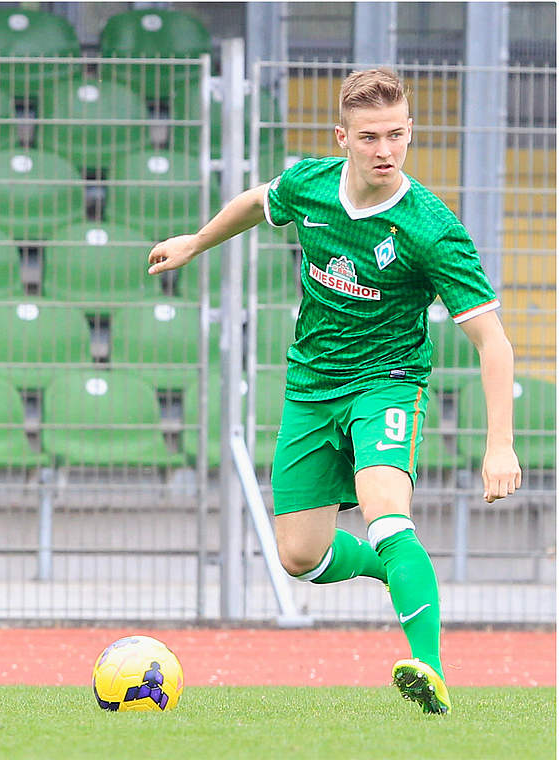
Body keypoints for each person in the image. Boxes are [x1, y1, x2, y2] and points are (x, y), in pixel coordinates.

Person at [147, 68, 521, 715]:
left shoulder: (431, 229)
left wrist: (500, 446)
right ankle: (391, 570)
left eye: (398, 135)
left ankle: (426, 667)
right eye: (371, 136)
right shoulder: (309, 186)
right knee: (299, 556)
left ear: (410, 133)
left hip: (387, 384)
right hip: (312, 386)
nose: (386, 150)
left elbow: (495, 343)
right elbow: (255, 202)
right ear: (341, 137)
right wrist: (197, 241)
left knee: (386, 507)